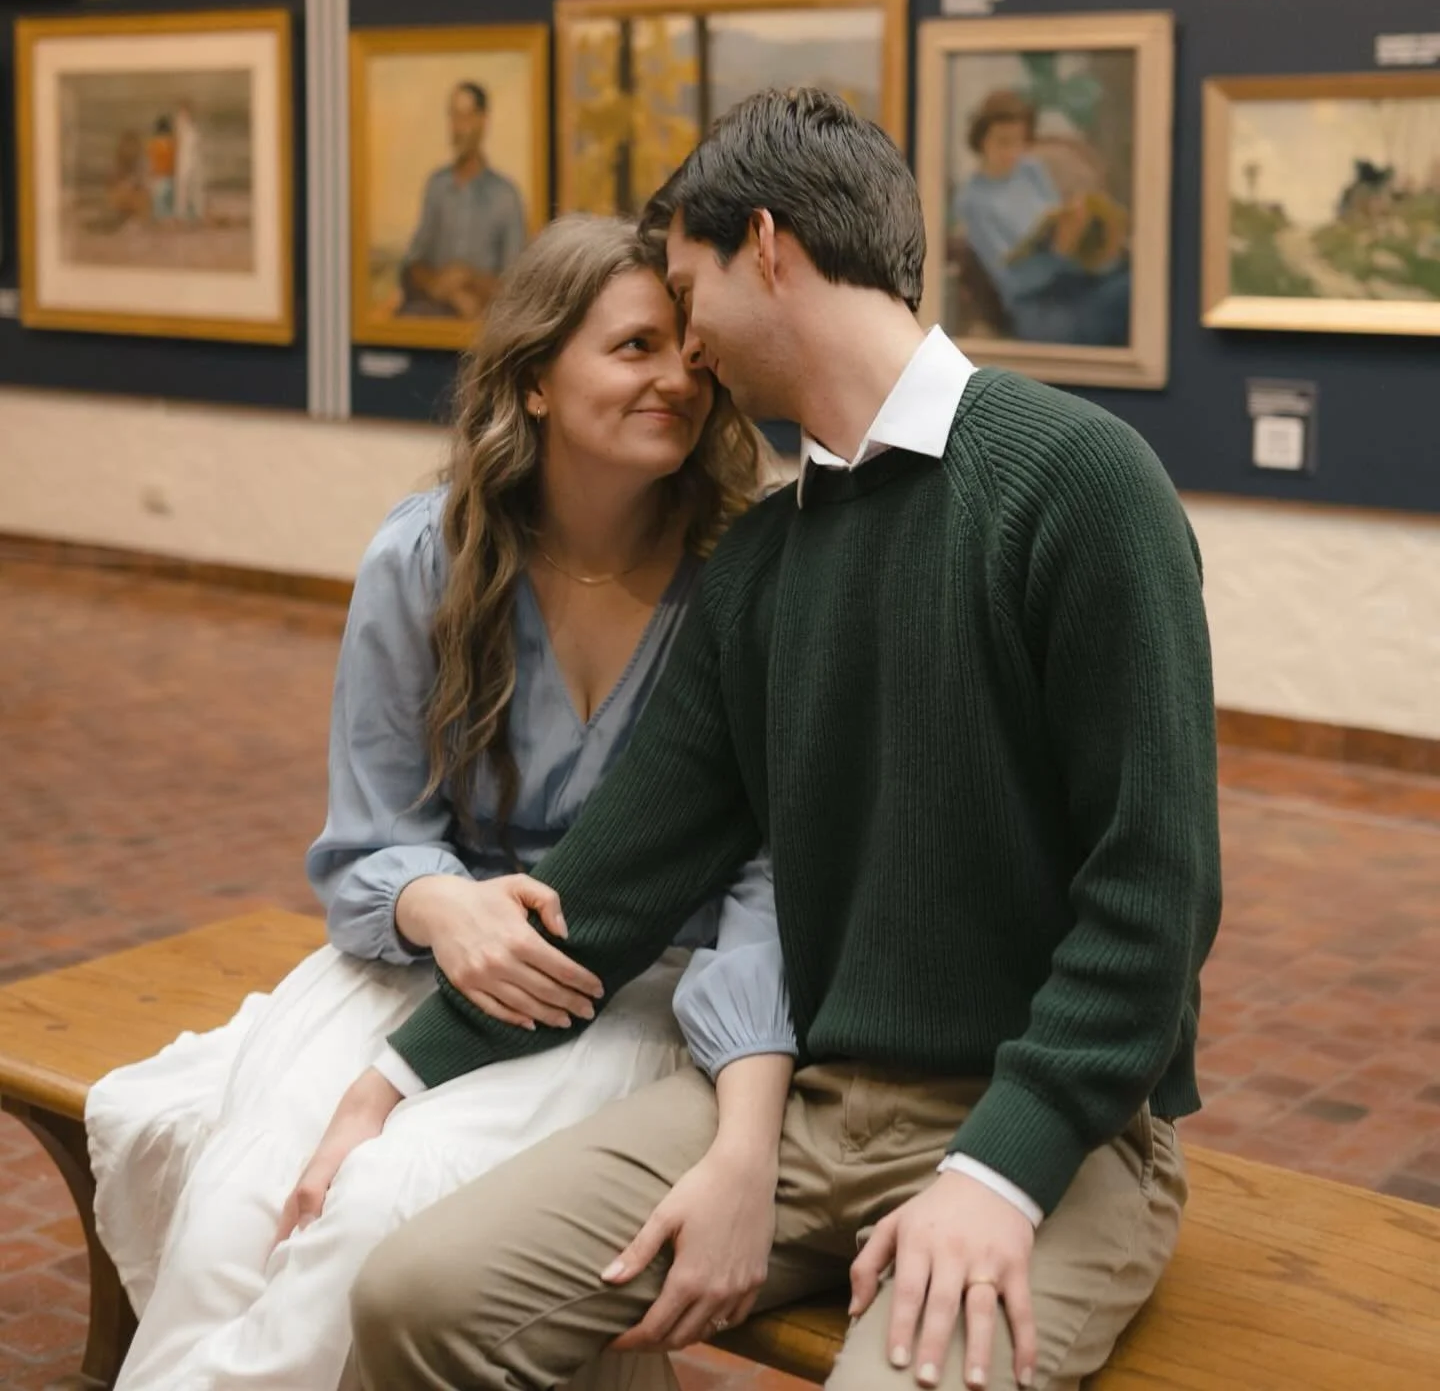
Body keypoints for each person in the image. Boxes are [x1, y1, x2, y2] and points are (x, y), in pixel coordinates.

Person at [304, 87, 1221, 1391]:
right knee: (418, 1300)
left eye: (690, 294)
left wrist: (999, 1171)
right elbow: (621, 878)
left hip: (1054, 1135)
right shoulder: (760, 568)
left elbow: (1154, 894)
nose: (689, 349)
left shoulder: (1080, 481)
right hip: (807, 1105)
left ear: (771, 249)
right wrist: (394, 1079)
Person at [85, 215, 792, 1391]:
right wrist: (440, 905)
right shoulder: (428, 559)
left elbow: (772, 868)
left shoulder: (748, 578)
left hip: (631, 985)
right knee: (237, 1219)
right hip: (421, 961)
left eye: (694, 354)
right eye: (634, 347)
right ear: (534, 380)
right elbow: (366, 841)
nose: (677, 377)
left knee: (370, 1219)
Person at [950, 91, 1131, 347]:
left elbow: (1055, 220)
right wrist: (1059, 253)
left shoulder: (1030, 170)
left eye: (1020, 142)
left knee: (1134, 279)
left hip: (1074, 283)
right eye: (1002, 142)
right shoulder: (973, 200)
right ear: (981, 141)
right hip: (1036, 309)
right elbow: (1013, 282)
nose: (1012, 152)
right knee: (1129, 298)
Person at [399, 82, 529, 321]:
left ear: (483, 121)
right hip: (433, 324)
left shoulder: (506, 196)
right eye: (453, 117)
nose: (458, 128)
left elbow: (517, 287)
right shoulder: (437, 186)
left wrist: (469, 279)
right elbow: (412, 265)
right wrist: (445, 288)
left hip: (485, 329)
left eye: (466, 117)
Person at [173, 99, 204, 224]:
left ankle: (197, 212)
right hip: (184, 158)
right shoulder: (181, 124)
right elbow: (179, 142)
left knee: (195, 186)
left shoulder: (192, 126)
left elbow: (196, 143)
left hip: (194, 158)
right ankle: (181, 214)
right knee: (183, 185)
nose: (186, 114)